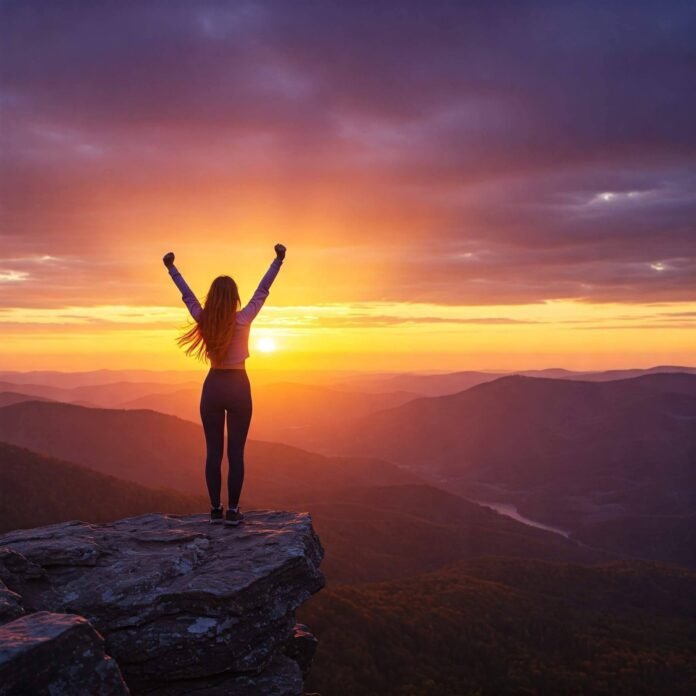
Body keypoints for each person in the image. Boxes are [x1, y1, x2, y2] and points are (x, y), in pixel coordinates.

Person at [162, 244, 286, 526]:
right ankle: (233, 512)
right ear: (233, 298)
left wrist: (171, 268)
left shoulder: (205, 319)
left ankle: (215, 510)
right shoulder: (243, 319)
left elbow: (187, 296)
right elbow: (262, 290)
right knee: (236, 452)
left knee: (213, 452)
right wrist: (278, 261)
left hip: (213, 385)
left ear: (214, 297)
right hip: (239, 386)